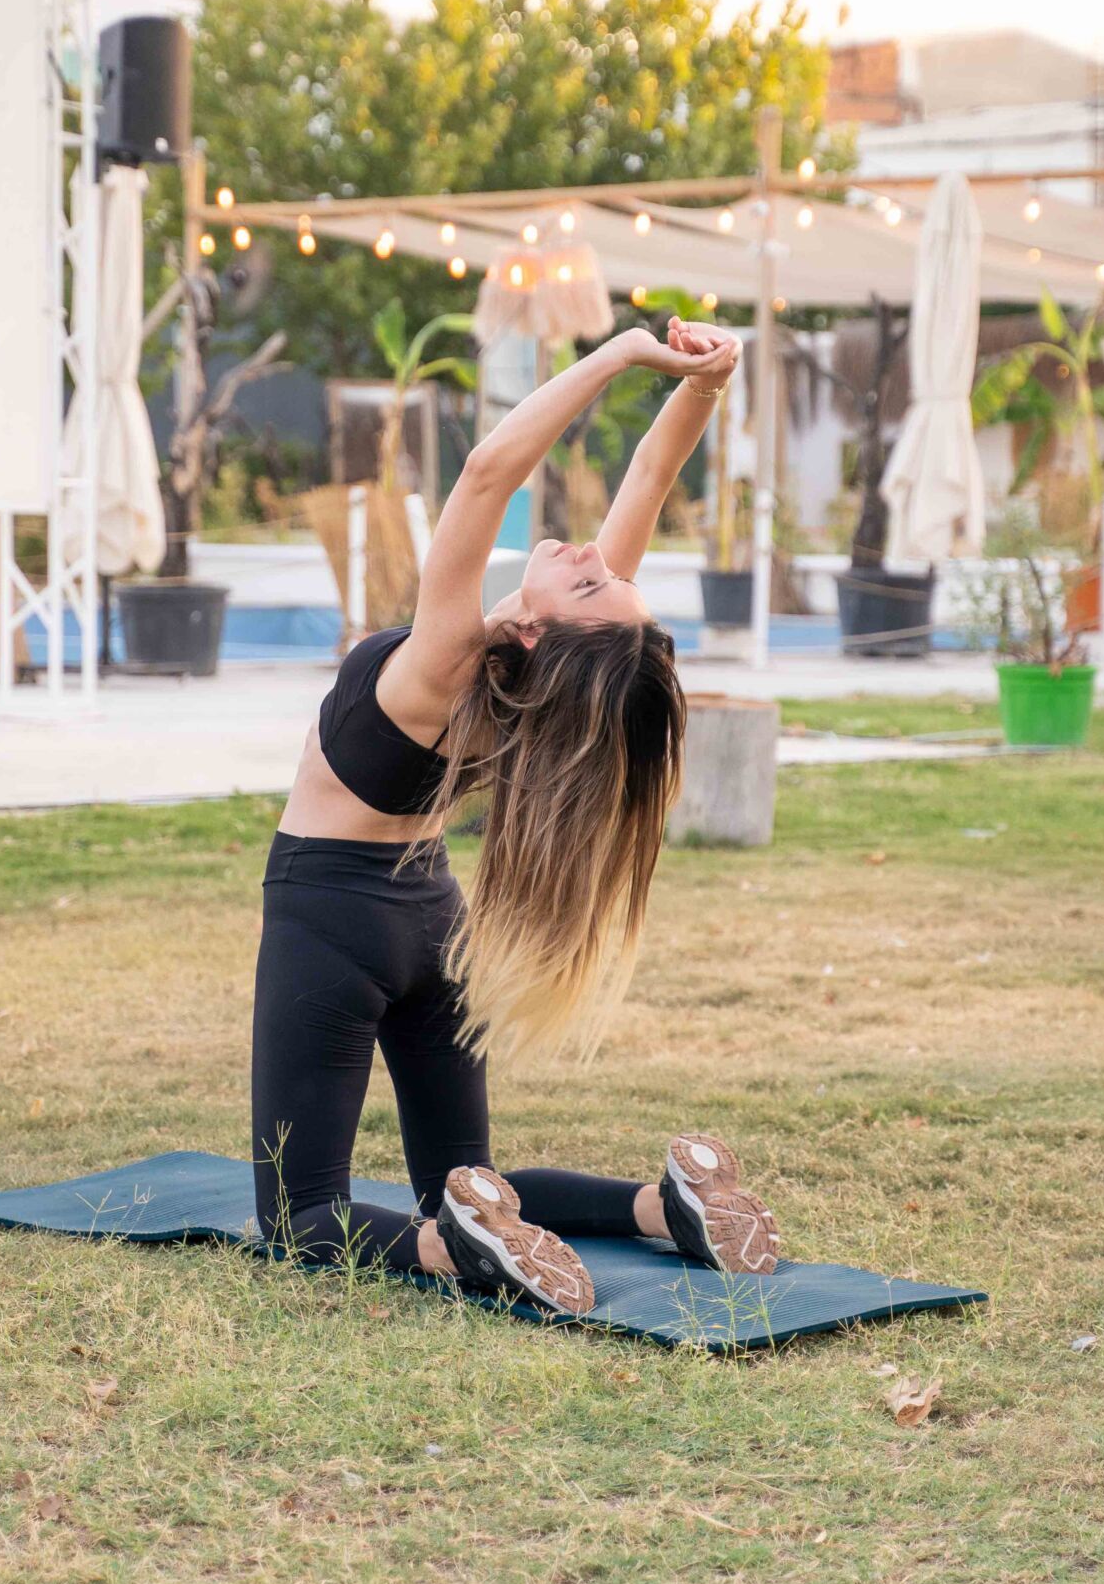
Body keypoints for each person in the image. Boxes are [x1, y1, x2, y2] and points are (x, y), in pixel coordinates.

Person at [250, 314, 781, 1317]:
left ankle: (463, 1256)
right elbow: (647, 487)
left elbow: (488, 471)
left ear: (539, 627)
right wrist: (705, 385)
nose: (594, 553)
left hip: (329, 918)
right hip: (434, 924)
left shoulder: (448, 657)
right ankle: (662, 1210)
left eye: (595, 577)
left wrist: (626, 352)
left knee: (298, 1215)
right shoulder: (545, 687)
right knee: (464, 1182)